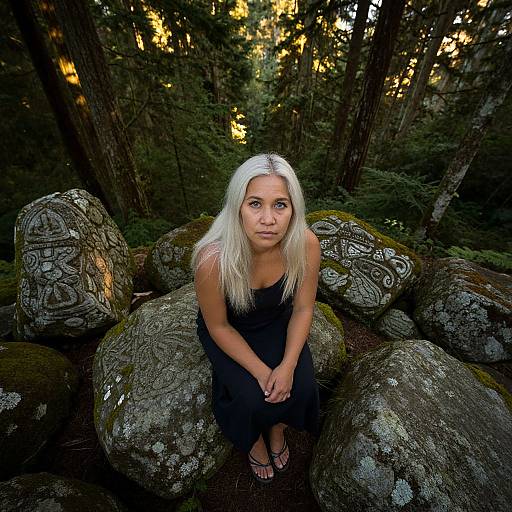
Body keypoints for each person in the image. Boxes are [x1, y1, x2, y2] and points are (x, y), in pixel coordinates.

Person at [191, 153, 321, 484]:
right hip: (230, 329)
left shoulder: (305, 244)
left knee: (301, 388)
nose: (268, 219)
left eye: (280, 205)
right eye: (255, 204)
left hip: (277, 320)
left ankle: (277, 430)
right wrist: (265, 373)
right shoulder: (212, 260)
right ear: (238, 207)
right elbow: (217, 325)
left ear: (294, 210)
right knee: (253, 399)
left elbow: (304, 308)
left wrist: (288, 366)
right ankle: (253, 440)